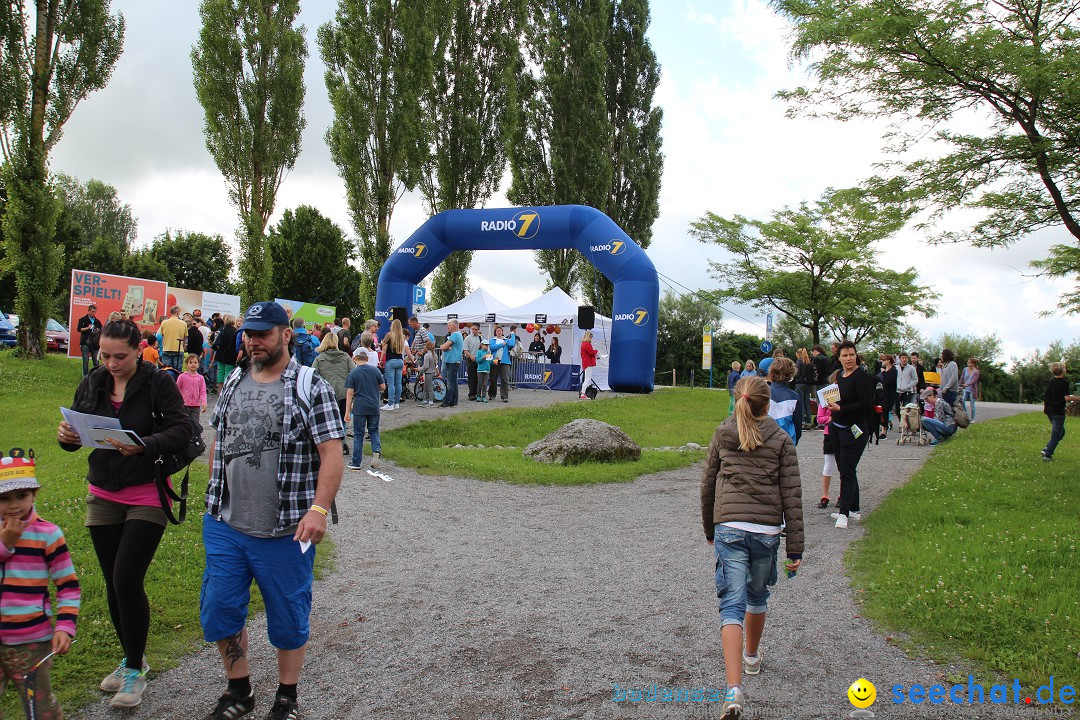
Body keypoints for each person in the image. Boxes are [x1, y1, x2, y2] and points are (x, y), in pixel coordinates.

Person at [201, 301, 344, 720]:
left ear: (286, 335)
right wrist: (213, 498)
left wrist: (318, 509)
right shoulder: (233, 380)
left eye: (263, 333)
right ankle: (239, 691)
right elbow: (220, 441)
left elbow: (332, 455)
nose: (253, 340)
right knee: (221, 610)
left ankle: (287, 697)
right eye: (249, 333)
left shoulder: (310, 386)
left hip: (285, 530)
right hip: (227, 524)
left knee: (288, 615)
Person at [57, 319, 192, 708]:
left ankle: (134, 671)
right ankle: (133, 657)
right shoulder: (93, 381)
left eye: (121, 356)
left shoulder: (157, 382)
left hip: (145, 494)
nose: (112, 364)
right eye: (105, 356)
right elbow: (77, 431)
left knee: (126, 578)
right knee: (113, 584)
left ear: (139, 350)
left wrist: (144, 444)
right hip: (102, 492)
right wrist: (66, 437)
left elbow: (183, 429)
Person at [700, 375, 803, 720]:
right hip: (765, 531)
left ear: (738, 399)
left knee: (731, 605)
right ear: (767, 404)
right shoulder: (782, 439)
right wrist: (795, 549)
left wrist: (709, 529)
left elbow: (708, 485)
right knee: (757, 597)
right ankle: (753, 656)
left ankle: (733, 690)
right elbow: (792, 496)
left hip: (729, 526)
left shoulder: (722, 433)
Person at [0, 451, 80, 719]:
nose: (13, 506)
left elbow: (67, 584)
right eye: (4, 498)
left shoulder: (48, 534)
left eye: (21, 496)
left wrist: (66, 627)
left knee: (41, 707)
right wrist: (4, 545)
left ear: (34, 495)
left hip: (32, 640)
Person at [827, 340, 875, 530]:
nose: (848, 358)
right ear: (839, 358)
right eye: (844, 355)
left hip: (855, 430)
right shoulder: (840, 375)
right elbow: (838, 396)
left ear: (856, 355)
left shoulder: (861, 377)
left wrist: (842, 408)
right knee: (845, 469)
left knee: (847, 470)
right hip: (837, 427)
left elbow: (865, 404)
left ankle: (844, 513)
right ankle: (854, 509)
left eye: (851, 354)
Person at [345, 349, 386, 471]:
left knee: (358, 434)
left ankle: (356, 462)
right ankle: (376, 451)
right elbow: (383, 387)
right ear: (367, 359)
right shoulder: (375, 370)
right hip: (374, 405)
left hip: (360, 407)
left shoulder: (353, 373)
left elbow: (349, 393)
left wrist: (347, 411)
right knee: (373, 431)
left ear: (355, 359)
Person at [1041, 362, 1079, 462]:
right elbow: (1066, 398)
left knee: (1061, 433)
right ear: (1063, 371)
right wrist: (1077, 398)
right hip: (1058, 413)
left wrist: (1062, 407)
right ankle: (1047, 455)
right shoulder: (1064, 382)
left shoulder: (1051, 382)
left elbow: (1052, 397)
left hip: (1050, 411)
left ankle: (1046, 449)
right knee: (1056, 434)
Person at [815, 372, 839, 509]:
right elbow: (819, 418)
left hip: (842, 432)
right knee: (828, 464)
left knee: (843, 466)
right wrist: (829, 419)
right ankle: (825, 495)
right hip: (829, 433)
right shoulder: (826, 395)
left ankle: (843, 495)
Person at [766, 358, 802, 445]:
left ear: (771, 373)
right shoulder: (795, 397)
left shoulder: (762, 394)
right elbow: (798, 427)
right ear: (791, 375)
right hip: (787, 441)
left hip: (766, 440)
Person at [380, 319, 413, 411]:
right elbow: (407, 350)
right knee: (398, 383)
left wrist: (381, 360)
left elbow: (384, 350)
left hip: (390, 360)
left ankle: (390, 403)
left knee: (390, 384)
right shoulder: (402, 337)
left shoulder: (389, 335)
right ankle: (397, 403)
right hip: (400, 361)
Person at [177, 354, 208, 428]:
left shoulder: (201, 378)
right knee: (184, 423)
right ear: (186, 365)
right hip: (184, 405)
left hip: (196, 405)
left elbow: (203, 392)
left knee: (195, 424)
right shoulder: (182, 376)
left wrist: (204, 402)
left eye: (195, 362)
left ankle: (195, 438)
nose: (193, 364)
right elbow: (176, 389)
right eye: (191, 362)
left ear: (198, 365)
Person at [439, 320, 464, 408]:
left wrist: (444, 346)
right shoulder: (458, 335)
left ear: (453, 325)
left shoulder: (455, 335)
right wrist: (446, 346)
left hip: (452, 361)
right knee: (454, 382)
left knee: (450, 383)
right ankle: (454, 401)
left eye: (449, 325)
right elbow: (446, 346)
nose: (448, 327)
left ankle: (448, 401)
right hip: (454, 361)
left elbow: (444, 346)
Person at [488, 325, 515, 403]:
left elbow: (512, 344)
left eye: (500, 330)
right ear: (495, 332)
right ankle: (492, 395)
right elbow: (492, 347)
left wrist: (512, 334)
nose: (499, 332)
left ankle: (504, 396)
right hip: (495, 361)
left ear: (502, 331)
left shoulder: (506, 340)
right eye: (497, 331)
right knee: (493, 378)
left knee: (505, 379)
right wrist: (501, 344)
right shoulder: (493, 340)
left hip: (505, 361)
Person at [212, 315, 240, 389]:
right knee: (228, 372)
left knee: (220, 372)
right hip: (231, 355)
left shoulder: (221, 330)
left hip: (220, 354)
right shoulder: (236, 331)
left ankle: (220, 388)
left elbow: (216, 343)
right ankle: (226, 388)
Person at [159, 306, 188, 371]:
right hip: (178, 349)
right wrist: (184, 346)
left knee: (166, 370)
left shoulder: (164, 323)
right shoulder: (183, 323)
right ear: (178, 313)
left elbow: (162, 334)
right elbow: (185, 336)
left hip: (166, 348)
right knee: (177, 371)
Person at [794, 348, 816, 430]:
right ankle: (809, 422)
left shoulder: (799, 362)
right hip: (808, 384)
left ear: (798, 354)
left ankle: (802, 421)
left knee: (801, 403)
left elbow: (797, 373)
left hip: (800, 384)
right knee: (807, 403)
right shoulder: (808, 361)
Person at [77, 303, 102, 376]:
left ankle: (95, 377)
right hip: (85, 342)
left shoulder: (97, 321)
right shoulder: (83, 320)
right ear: (88, 311)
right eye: (92, 311)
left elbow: (101, 330)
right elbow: (79, 329)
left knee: (96, 361)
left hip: (95, 343)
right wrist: (87, 328)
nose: (94, 313)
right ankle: (85, 377)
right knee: (85, 361)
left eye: (95, 311)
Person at [877, 354, 897, 439]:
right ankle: (883, 427)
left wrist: (884, 372)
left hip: (889, 395)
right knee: (881, 412)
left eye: (884, 360)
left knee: (885, 412)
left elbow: (889, 381)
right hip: (882, 394)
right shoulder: (883, 371)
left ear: (888, 360)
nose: (882, 362)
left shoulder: (893, 371)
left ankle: (883, 432)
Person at [463, 323, 482, 402]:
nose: (474, 331)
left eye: (476, 329)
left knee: (479, 377)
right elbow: (465, 350)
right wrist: (471, 356)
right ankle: (471, 394)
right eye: (473, 329)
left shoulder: (481, 338)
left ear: (478, 330)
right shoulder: (467, 338)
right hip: (470, 359)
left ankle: (478, 394)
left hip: (479, 359)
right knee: (471, 377)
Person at [896, 353, 918, 421]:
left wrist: (908, 386)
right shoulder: (896, 368)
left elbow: (915, 380)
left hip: (907, 391)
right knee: (897, 409)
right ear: (899, 359)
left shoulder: (911, 368)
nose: (904, 359)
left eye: (906, 358)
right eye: (903, 358)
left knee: (906, 409)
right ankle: (901, 421)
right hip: (897, 391)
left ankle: (904, 425)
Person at [579, 330, 598, 400]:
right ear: (588, 337)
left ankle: (583, 393)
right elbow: (592, 352)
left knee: (587, 379)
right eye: (591, 337)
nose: (591, 339)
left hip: (586, 362)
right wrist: (596, 351)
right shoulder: (586, 344)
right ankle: (583, 394)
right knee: (587, 379)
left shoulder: (584, 344)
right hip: (588, 363)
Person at [419, 340, 438, 406]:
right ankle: (425, 400)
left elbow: (426, 366)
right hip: (433, 372)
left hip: (428, 373)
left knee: (429, 388)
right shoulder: (435, 355)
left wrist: (420, 369)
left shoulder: (427, 355)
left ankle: (430, 402)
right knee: (426, 387)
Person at [961, 358, 980, 422]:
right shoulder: (965, 369)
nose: (968, 363)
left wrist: (967, 384)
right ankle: (966, 415)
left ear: (973, 364)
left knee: (972, 404)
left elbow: (974, 381)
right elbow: (962, 378)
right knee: (962, 401)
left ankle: (972, 418)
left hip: (972, 390)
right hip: (965, 389)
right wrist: (958, 385)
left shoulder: (976, 372)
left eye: (969, 362)